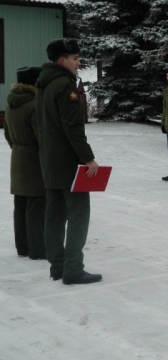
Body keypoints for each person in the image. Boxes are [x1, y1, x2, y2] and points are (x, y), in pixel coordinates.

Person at [35, 38, 101, 284]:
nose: (78, 62)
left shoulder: (43, 85)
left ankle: (57, 266)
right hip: (68, 163)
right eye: (74, 58)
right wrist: (88, 159)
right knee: (79, 214)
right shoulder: (65, 86)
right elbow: (73, 128)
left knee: (54, 214)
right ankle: (73, 268)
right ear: (62, 60)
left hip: (49, 161)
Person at [4, 66, 46, 260]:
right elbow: (43, 138)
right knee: (36, 204)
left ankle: (23, 247)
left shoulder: (11, 103)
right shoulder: (34, 105)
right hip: (34, 160)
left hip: (18, 158)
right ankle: (38, 249)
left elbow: (7, 134)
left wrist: (18, 148)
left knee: (20, 204)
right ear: (35, 83)